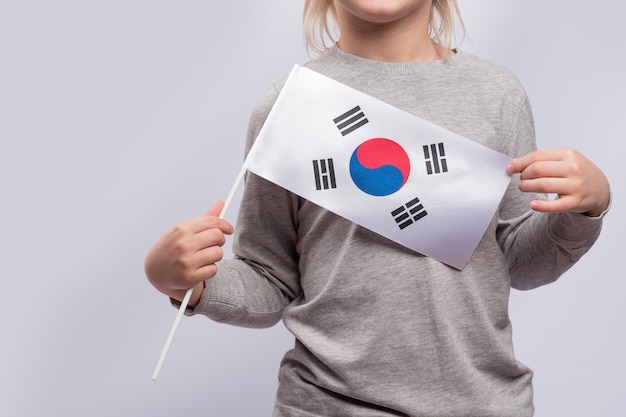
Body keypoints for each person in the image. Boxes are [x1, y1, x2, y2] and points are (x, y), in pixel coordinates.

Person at [145, 1, 611, 415]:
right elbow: (270, 277)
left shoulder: (496, 94)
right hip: (325, 402)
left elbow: (517, 262)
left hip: (484, 402)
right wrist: (188, 283)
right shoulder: (288, 108)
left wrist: (584, 211)